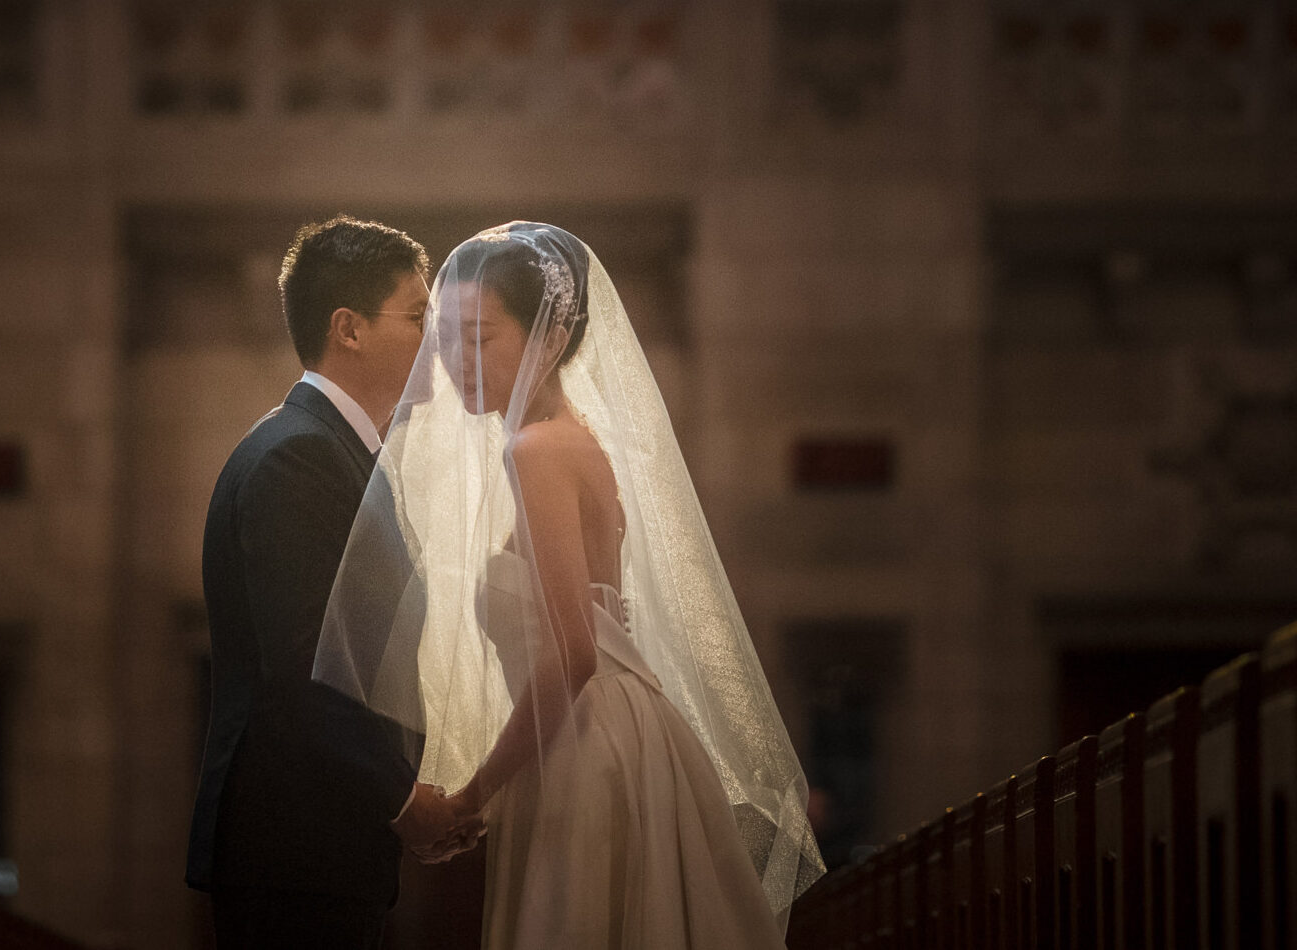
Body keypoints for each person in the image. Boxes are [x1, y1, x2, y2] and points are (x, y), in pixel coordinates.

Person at [315, 222, 825, 948]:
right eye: (448, 337)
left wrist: (472, 794)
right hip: (607, 729)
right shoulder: (570, 435)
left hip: (587, 745)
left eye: (480, 337)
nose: (457, 360)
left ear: (548, 338)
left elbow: (574, 653)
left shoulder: (535, 450)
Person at [187, 215, 481, 950]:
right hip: (292, 849)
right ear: (348, 329)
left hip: (318, 847)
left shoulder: (334, 451)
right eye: (417, 319)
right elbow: (307, 667)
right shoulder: (300, 458)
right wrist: (402, 798)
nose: (436, 343)